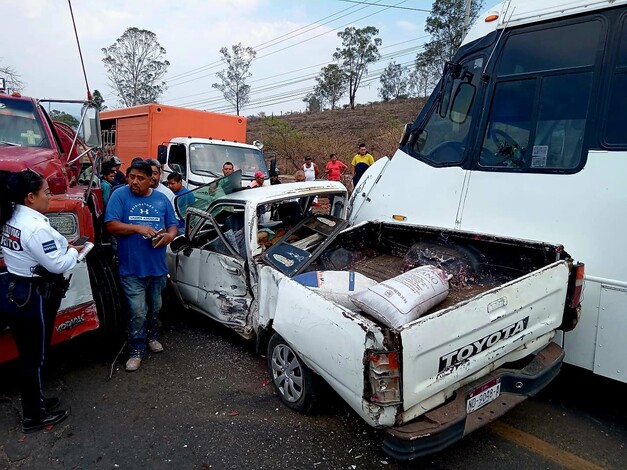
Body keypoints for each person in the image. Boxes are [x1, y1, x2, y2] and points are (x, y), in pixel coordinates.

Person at [0, 169, 84, 433]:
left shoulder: (12, 216)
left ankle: (36, 401)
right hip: (29, 295)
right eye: (46, 192)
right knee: (33, 358)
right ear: (30, 197)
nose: (50, 197)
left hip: (13, 288)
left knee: (29, 355)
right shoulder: (34, 227)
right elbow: (57, 264)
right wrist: (76, 253)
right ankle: (34, 416)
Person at [105, 160, 178, 372]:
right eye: (131, 177)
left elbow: (173, 226)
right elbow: (110, 225)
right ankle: (136, 350)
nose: (134, 182)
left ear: (151, 180)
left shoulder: (162, 199)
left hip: (156, 267)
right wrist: (138, 228)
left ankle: (151, 336)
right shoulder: (120, 195)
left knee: (155, 307)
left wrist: (168, 237)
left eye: (140, 178)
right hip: (131, 268)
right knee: (137, 311)